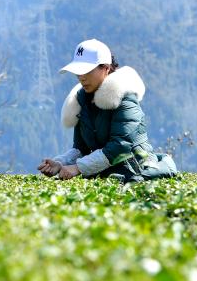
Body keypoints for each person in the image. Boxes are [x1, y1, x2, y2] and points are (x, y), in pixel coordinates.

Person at [38, 39, 177, 183]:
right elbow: (81, 148)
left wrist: (78, 168)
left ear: (105, 68)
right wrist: (60, 163)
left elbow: (120, 146)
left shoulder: (125, 97)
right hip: (109, 175)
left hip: (137, 173)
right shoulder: (83, 101)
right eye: (78, 72)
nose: (81, 77)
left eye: (87, 71)